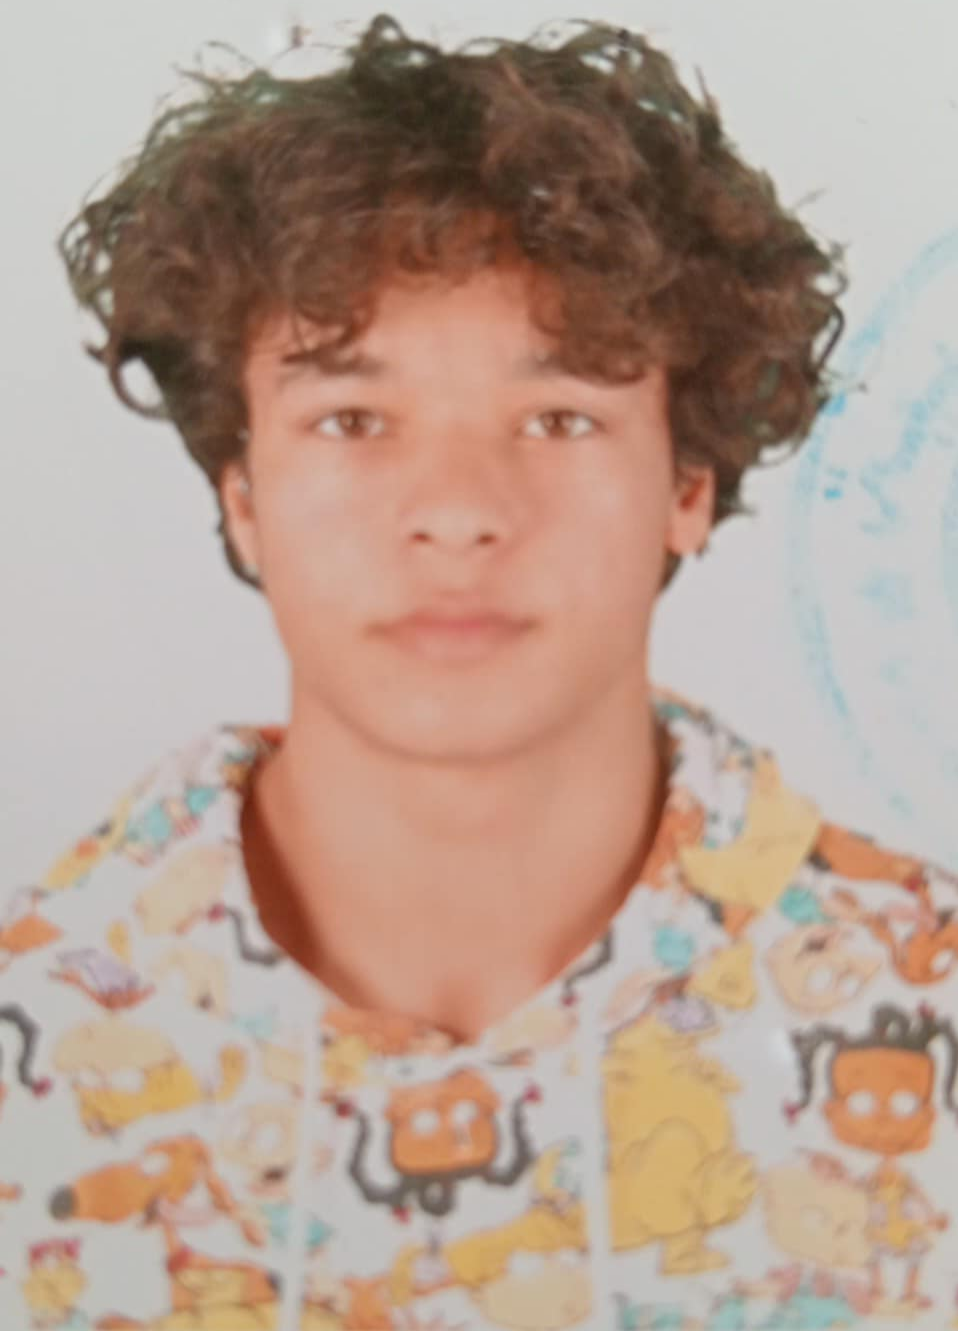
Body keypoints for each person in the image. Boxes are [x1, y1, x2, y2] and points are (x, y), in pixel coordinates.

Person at [2, 13, 955, 1330]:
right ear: (242, 495)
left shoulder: (920, 1007)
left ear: (687, 481)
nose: (456, 512)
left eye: (559, 417)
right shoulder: (44, 1021)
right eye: (352, 418)